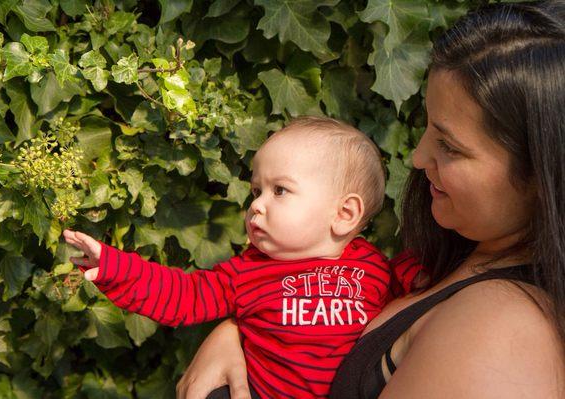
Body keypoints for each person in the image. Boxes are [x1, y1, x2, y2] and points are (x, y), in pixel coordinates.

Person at [176, 1, 565, 398]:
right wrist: (236, 331)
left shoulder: (501, 332)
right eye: (427, 125)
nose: (417, 158)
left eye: (450, 146)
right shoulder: (455, 257)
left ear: (542, 173)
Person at [62, 117, 424, 398]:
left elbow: (422, 293)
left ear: (344, 214)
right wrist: (114, 267)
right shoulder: (246, 273)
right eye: (256, 190)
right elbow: (183, 294)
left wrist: (427, 265)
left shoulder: (376, 269)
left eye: (279, 190)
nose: (256, 205)